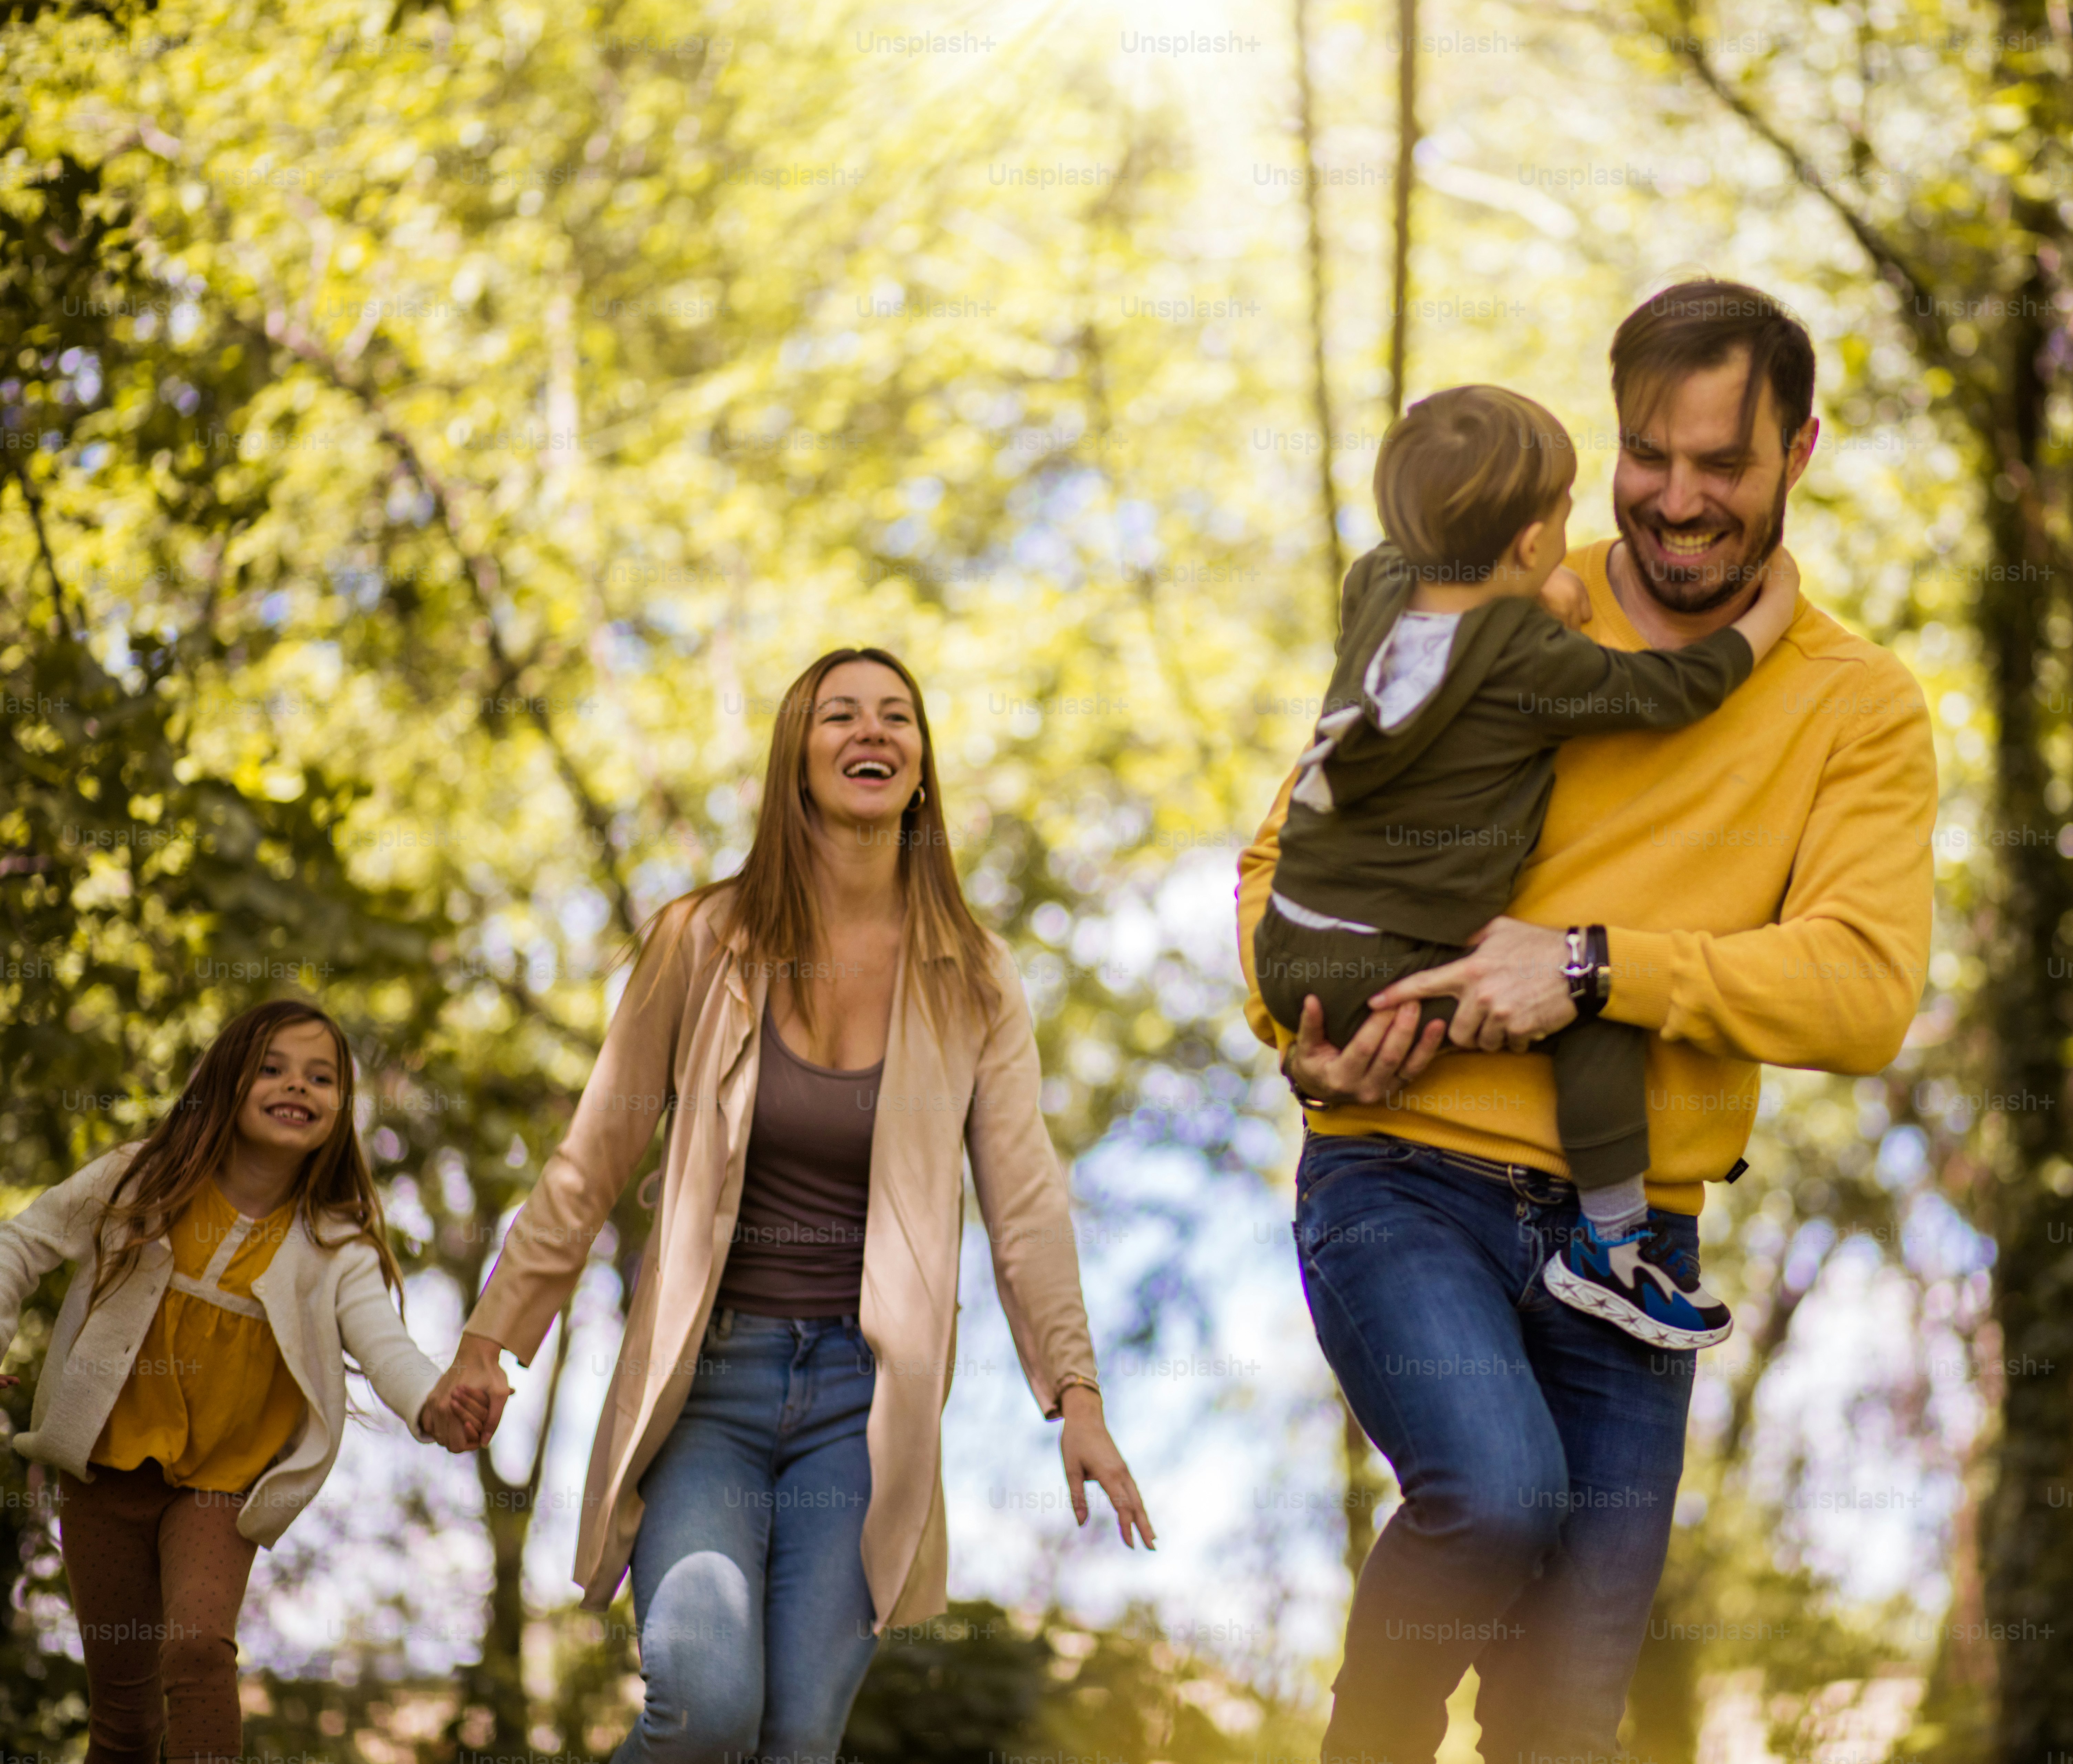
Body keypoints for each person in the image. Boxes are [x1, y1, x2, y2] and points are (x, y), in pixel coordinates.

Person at [1236, 281, 1939, 1761]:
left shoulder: (1856, 706)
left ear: (1799, 450)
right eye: (1646, 455)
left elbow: (1862, 988)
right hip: (1404, 1172)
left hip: (1633, 1247)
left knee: (1563, 1724)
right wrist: (1294, 1019)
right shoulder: (1480, 593)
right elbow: (1285, 854)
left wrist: (1592, 967)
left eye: (1721, 463)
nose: (1676, 499)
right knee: (1493, 1496)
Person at [421, 645, 1154, 1764]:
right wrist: (489, 1339)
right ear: (795, 757)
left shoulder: (970, 973)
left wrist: (1077, 1392)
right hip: (712, 1382)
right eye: (840, 714)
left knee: (797, 1740)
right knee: (704, 1707)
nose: (873, 731)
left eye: (897, 715)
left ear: (921, 763)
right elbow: (594, 1154)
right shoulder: (701, 940)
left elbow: (1025, 1203)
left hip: (861, 1408)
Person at [1254, 382, 1800, 1350]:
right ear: (1532, 541)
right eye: (1562, 513)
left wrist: (1517, 586)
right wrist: (1771, 614)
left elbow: (1410, 569)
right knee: (1591, 994)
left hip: (1292, 942)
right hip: (1380, 971)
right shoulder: (1529, 662)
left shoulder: (1378, 588)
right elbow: (1675, 689)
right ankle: (1613, 1246)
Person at [0, 999, 485, 1763]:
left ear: (340, 1108)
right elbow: (22, 1244)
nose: (298, 1086)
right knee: (124, 1726)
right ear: (225, 1081)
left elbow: (386, 1346)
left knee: (197, 1647)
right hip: (105, 1472)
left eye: (321, 1077)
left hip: (221, 1487)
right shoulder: (139, 1181)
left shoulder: (335, 1246)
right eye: (273, 1068)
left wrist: (435, 1405)